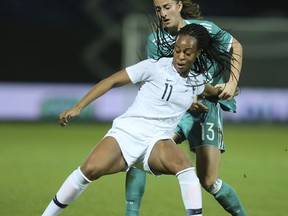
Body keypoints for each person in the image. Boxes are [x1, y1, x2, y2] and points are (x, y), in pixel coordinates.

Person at [41, 23, 236, 216]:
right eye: (177, 50)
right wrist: (78, 106)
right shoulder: (155, 67)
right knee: (88, 170)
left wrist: (227, 90)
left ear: (198, 53)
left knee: (184, 167)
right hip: (127, 134)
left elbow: (211, 91)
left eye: (187, 52)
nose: (180, 57)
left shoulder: (196, 81)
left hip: (157, 142)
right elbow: (111, 81)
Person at [124, 0, 247, 216]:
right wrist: (188, 100)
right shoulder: (156, 42)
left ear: (179, 5)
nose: (162, 13)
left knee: (209, 181)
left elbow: (235, 46)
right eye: (158, 9)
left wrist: (231, 83)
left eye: (167, 7)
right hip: (179, 110)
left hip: (208, 107)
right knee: (140, 150)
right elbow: (159, 81)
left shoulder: (205, 30)